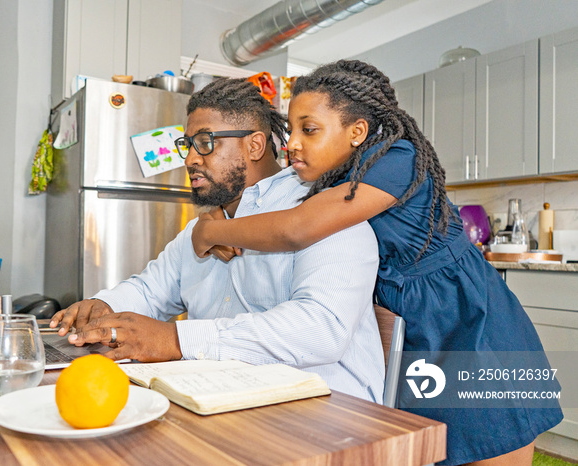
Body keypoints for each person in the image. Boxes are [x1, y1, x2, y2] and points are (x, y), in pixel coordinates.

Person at [189, 60, 563, 466]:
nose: (292, 143)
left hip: (466, 320)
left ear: (358, 131)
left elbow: (298, 227)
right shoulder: (331, 176)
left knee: (492, 436)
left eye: (308, 129)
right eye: (291, 130)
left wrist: (209, 232)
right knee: (432, 448)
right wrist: (222, 212)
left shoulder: (396, 159)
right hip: (414, 322)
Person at [50, 77, 384, 401]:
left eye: (206, 142)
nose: (190, 159)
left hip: (329, 414)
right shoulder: (204, 226)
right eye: (188, 144)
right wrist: (105, 307)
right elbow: (150, 290)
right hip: (222, 401)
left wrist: (177, 339)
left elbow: (321, 328)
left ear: (253, 145)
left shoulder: (324, 211)